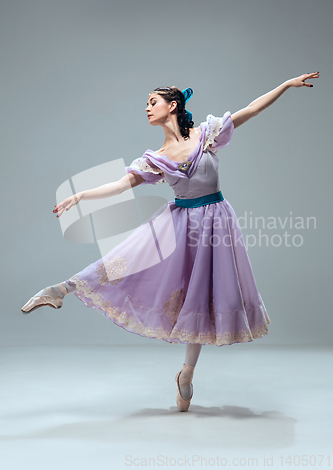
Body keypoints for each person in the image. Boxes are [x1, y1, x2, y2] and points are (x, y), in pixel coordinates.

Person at [21, 73, 319, 412]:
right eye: (146, 104)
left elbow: (250, 110)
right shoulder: (156, 158)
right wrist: (80, 196)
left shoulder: (206, 134)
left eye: (152, 102)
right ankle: (62, 289)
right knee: (125, 262)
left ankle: (186, 376)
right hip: (178, 222)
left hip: (215, 222)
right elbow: (120, 186)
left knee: (202, 299)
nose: (146, 108)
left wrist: (285, 85)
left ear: (172, 106)